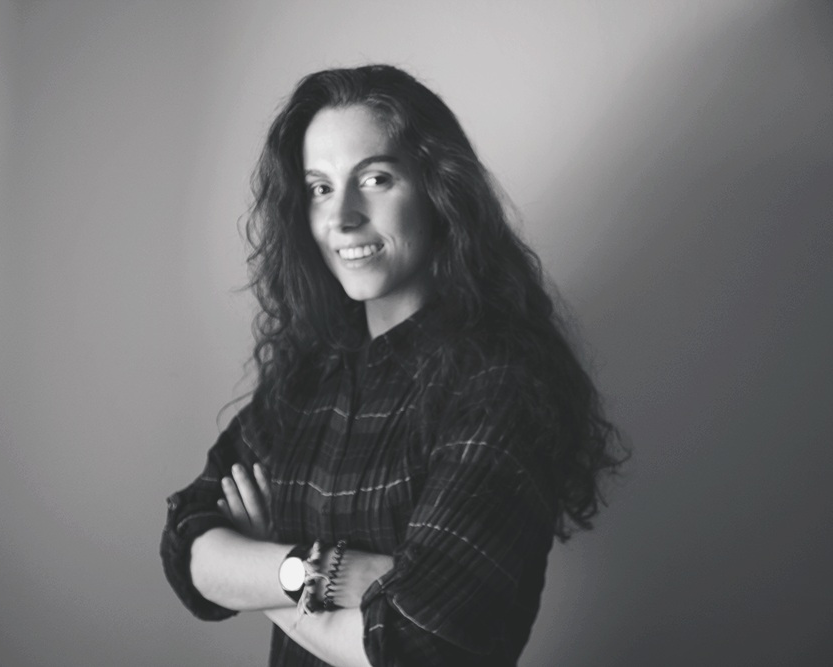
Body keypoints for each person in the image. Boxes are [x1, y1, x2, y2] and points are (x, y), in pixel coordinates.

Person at [161, 64, 624, 667]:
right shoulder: (310, 374)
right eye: (320, 188)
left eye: (375, 179)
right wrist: (314, 571)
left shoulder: (499, 385)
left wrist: (261, 563)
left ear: (438, 190)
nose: (342, 217)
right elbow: (185, 544)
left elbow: (410, 646)